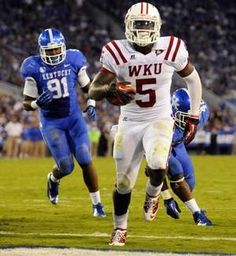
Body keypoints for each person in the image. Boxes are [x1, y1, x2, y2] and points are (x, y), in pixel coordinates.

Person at [89, 2, 203, 245]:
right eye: (137, 24)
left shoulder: (171, 48)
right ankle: (120, 228)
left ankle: (153, 195)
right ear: (128, 26)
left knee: (159, 163)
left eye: (146, 24)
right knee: (123, 183)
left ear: (157, 26)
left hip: (159, 119)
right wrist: (112, 87)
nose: (142, 30)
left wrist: (193, 115)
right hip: (129, 122)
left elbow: (193, 79)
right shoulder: (116, 52)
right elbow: (93, 89)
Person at [21, 28, 105, 217]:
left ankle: (97, 204)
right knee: (66, 166)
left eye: (56, 49)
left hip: (74, 118)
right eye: (49, 50)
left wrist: (91, 102)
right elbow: (26, 103)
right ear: (41, 50)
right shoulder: (32, 67)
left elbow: (87, 87)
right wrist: (36, 103)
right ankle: (53, 178)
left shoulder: (73, 59)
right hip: (52, 123)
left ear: (63, 47)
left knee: (85, 158)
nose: (53, 54)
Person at [153, 88, 212, 226]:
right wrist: (167, 197)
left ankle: (185, 200)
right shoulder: (161, 123)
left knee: (189, 185)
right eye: (186, 118)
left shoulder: (200, 110)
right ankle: (196, 214)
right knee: (172, 169)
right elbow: (155, 166)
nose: (189, 122)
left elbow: (198, 117)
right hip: (161, 144)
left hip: (178, 144)